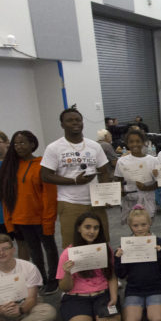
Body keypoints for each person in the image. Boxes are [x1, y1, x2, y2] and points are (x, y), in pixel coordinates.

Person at [40, 105, 113, 247]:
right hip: (70, 203)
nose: (75, 123)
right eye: (70, 120)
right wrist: (73, 180)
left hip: (95, 203)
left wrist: (106, 196)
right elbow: (45, 176)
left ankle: (101, 270)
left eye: (78, 120)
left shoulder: (94, 146)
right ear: (62, 124)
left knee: (100, 243)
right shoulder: (54, 147)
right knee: (73, 245)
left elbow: (104, 172)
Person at [0, 130, 59, 295]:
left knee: (50, 249)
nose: (18, 146)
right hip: (21, 219)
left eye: (22, 142)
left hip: (40, 218)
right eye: (15, 143)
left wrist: (48, 220)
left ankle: (54, 279)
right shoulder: (10, 166)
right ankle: (41, 279)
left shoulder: (42, 165)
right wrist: (9, 221)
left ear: (32, 144)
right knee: (34, 252)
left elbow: (49, 196)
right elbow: (6, 197)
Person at [56, 211, 121, 321]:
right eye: (87, 227)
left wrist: (113, 297)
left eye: (96, 228)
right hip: (77, 297)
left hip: (102, 295)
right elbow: (64, 288)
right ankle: (88, 317)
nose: (92, 231)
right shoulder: (68, 253)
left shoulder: (105, 249)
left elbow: (111, 276)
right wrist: (68, 273)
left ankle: (93, 317)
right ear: (79, 228)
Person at [114, 207, 161, 321]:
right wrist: (118, 258)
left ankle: (150, 307)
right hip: (134, 289)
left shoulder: (159, 242)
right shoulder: (125, 246)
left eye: (143, 224)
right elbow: (121, 274)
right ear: (130, 225)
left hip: (156, 287)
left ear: (150, 223)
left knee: (157, 320)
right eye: (135, 225)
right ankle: (142, 307)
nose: (140, 229)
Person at [113, 127, 159, 223]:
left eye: (138, 141)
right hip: (129, 200)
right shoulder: (122, 161)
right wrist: (120, 191)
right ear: (127, 143)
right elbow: (118, 181)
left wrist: (146, 188)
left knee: (146, 226)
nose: (135, 144)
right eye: (131, 142)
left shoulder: (153, 160)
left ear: (143, 142)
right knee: (133, 226)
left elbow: (159, 183)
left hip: (147, 199)